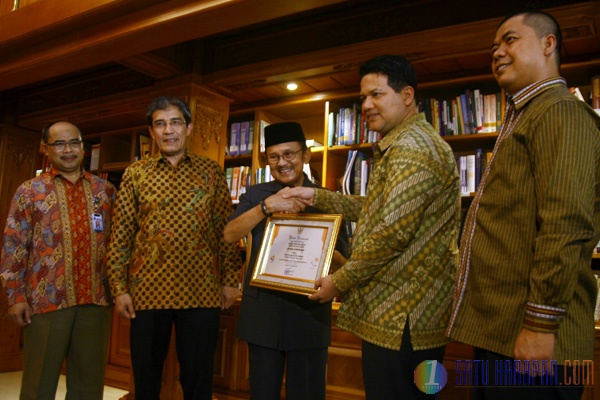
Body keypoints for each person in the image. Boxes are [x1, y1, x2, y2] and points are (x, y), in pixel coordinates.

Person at [283, 55, 460, 399]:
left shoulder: (411, 150)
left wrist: (338, 282)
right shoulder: (405, 145)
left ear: (407, 95)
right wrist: (316, 196)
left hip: (402, 320)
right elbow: (378, 211)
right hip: (401, 318)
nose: (366, 105)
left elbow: (390, 234)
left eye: (377, 95)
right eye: (363, 97)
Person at [447, 11, 600, 400]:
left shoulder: (560, 111)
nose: (497, 51)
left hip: (534, 342)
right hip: (504, 334)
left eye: (510, 39)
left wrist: (541, 324)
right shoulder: (528, 115)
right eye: (493, 46)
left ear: (549, 44)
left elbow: (566, 224)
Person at [107, 96, 242, 400]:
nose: (168, 130)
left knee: (198, 379)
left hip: (201, 290)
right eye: (160, 124)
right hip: (147, 291)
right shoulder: (135, 174)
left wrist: (230, 280)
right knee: (146, 378)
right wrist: (119, 287)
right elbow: (122, 234)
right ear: (152, 132)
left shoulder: (211, 172)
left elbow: (227, 231)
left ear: (189, 127)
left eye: (175, 122)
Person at [223, 121, 350, 400]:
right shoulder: (256, 195)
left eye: (289, 154)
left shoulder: (327, 199)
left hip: (309, 312)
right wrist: (267, 207)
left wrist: (323, 249)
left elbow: (345, 263)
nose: (282, 162)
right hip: (263, 312)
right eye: (274, 156)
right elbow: (230, 234)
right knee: (262, 393)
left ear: (306, 156)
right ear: (267, 161)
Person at [0, 121, 116, 400]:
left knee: (89, 385)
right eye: (59, 144)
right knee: (39, 383)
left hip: (95, 300)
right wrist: (15, 296)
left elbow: (117, 244)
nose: (68, 150)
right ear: (46, 148)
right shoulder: (30, 190)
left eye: (74, 143)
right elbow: (14, 244)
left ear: (83, 147)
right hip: (46, 300)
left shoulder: (106, 191)